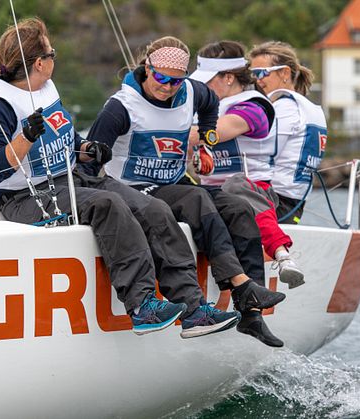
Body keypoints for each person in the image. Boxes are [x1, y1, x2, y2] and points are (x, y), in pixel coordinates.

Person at [0, 18, 239, 339]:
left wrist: (87, 148)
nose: (54, 59)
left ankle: (193, 309)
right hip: (24, 198)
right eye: (52, 54)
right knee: (109, 204)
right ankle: (142, 306)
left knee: (154, 209)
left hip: (71, 179)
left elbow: (66, 138)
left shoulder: (46, 88)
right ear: (39, 63)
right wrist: (25, 136)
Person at [86, 36, 285, 347]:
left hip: (173, 182)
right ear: (147, 69)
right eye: (161, 78)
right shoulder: (121, 107)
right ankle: (236, 286)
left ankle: (252, 311)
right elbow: (87, 163)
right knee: (197, 199)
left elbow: (210, 103)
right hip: (136, 189)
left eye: (175, 82)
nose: (167, 87)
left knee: (238, 208)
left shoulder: (192, 91)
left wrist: (206, 135)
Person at [189, 40, 305, 292]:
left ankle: (283, 255)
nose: (201, 88)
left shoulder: (254, 107)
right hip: (211, 193)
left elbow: (214, 133)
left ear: (228, 78)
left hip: (253, 188)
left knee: (235, 187)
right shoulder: (204, 108)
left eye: (207, 81)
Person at [248, 41, 327, 224]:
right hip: (295, 201)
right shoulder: (311, 108)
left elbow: (262, 152)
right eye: (253, 74)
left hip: (275, 202)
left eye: (261, 73)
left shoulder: (284, 107)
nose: (257, 80)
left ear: (284, 72)